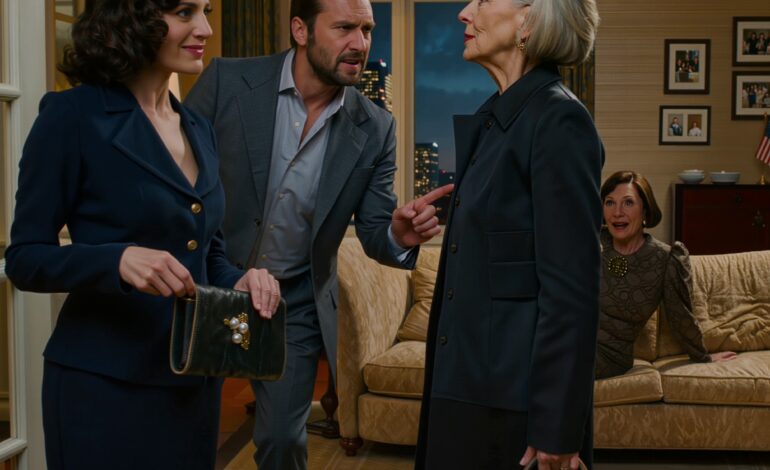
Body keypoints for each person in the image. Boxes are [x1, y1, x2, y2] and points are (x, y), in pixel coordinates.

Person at [4, 1, 282, 468]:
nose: (205, 29)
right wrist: (116, 260)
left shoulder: (199, 128)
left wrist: (241, 278)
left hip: (193, 383)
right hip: (102, 387)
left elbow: (207, 252)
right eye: (184, 13)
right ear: (131, 18)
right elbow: (25, 259)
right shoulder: (72, 115)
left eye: (205, 11)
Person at [184, 0, 452, 468]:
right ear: (300, 30)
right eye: (344, 27)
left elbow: (375, 230)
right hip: (204, 284)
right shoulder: (227, 81)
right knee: (184, 428)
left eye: (367, 29)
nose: (360, 43)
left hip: (293, 302)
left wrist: (398, 236)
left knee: (283, 440)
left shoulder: (376, 128)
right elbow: (174, 176)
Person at [415, 1, 603, 469]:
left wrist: (557, 427)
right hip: (463, 389)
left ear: (529, 19)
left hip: (512, 409)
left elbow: (571, 291)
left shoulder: (559, 120)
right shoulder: (495, 120)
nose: (464, 13)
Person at [596, 171, 737, 380]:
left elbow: (680, 316)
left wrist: (703, 356)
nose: (617, 212)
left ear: (645, 211)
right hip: (565, 338)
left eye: (628, 203)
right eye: (610, 202)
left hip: (609, 356)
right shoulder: (589, 240)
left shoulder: (665, 259)